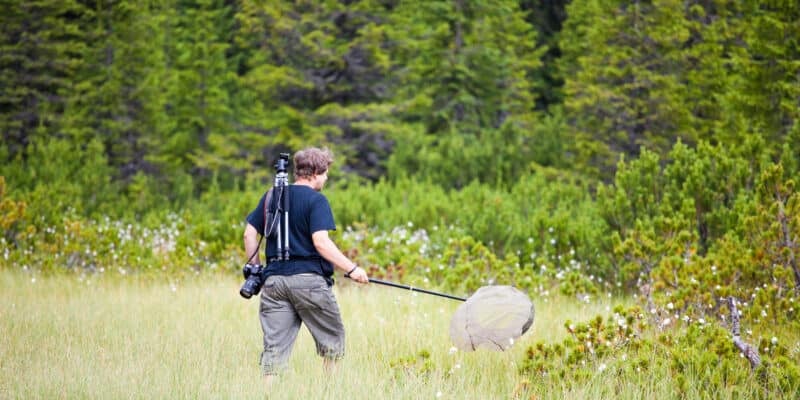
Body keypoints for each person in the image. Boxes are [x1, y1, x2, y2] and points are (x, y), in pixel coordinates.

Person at [243, 147, 369, 382]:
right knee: (332, 342)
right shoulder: (317, 201)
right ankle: (331, 393)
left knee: (274, 353)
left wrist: (256, 270)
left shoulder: (272, 195)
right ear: (314, 173)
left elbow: (250, 234)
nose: (326, 178)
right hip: (309, 282)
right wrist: (352, 269)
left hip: (273, 283)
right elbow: (321, 242)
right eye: (325, 173)